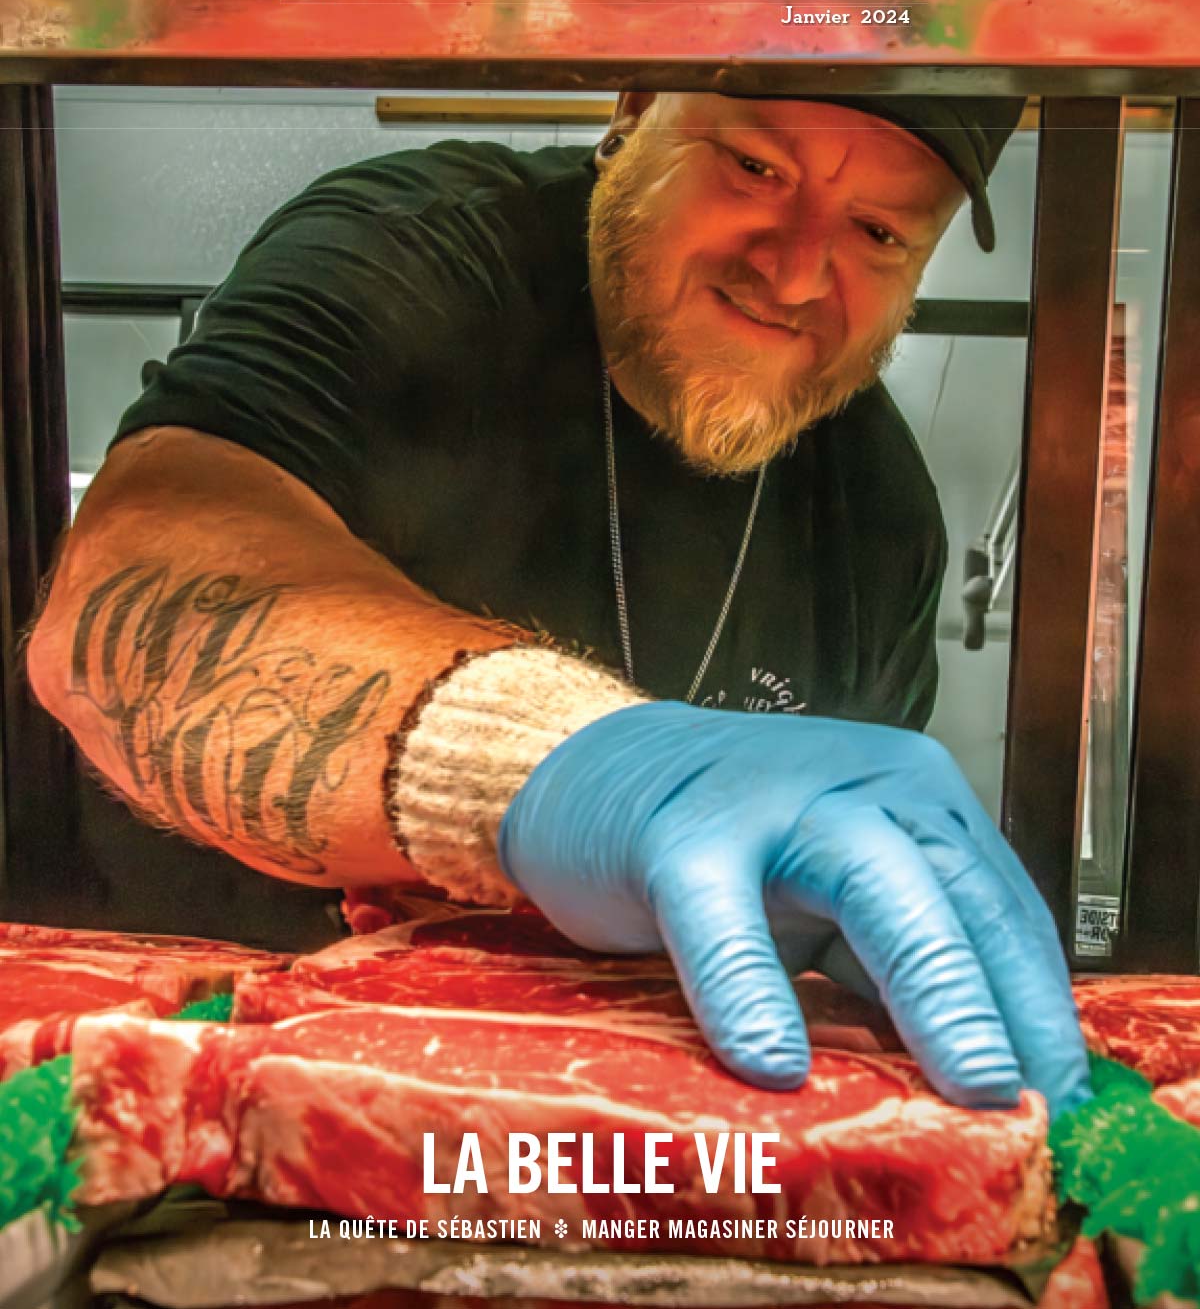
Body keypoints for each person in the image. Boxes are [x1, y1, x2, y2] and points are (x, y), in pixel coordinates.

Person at [27, 90, 1091, 1121]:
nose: (797, 270)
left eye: (877, 232)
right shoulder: (421, 253)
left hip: (614, 1121)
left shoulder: (879, 510)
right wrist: (553, 764)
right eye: (756, 168)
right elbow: (128, 604)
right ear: (632, 108)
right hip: (208, 1081)